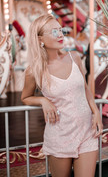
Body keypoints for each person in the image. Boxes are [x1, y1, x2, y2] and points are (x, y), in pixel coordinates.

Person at [21, 14, 103, 177]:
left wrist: (96, 112)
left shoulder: (75, 58)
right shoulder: (34, 70)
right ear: (39, 39)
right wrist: (43, 100)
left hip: (87, 131)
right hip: (60, 134)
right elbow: (25, 97)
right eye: (54, 32)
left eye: (61, 30)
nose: (60, 35)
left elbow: (85, 88)